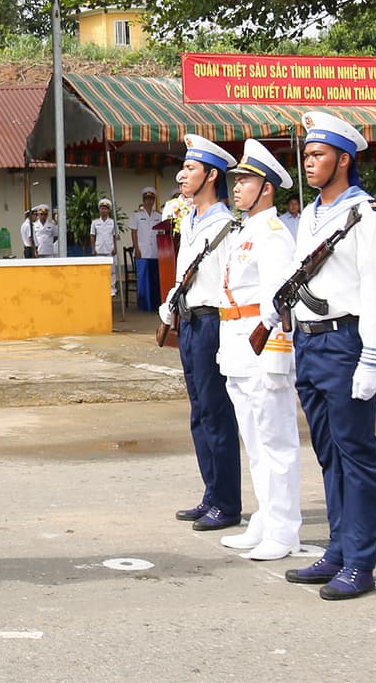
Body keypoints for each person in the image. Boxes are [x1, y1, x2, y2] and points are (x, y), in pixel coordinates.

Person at [270, 110, 376, 601]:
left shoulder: (368, 214)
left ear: (344, 160)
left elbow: (374, 291)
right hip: (310, 339)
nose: (308, 162)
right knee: (329, 454)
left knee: (357, 454)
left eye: (318, 154)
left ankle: (360, 563)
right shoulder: (312, 214)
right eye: (306, 155)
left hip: (346, 342)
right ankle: (339, 550)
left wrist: (373, 358)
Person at [217, 141, 303, 562]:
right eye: (236, 180)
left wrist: (277, 358)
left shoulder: (272, 235)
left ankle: (285, 529)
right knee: (254, 442)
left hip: (263, 349)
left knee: (277, 442)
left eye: (245, 180)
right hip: (237, 345)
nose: (237, 187)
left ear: (266, 188)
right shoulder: (245, 232)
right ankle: (266, 519)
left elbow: (280, 302)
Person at [158, 135, 242, 533]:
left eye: (191, 169)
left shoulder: (225, 223)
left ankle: (227, 501)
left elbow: (230, 282)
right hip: (189, 321)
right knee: (199, 412)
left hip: (212, 323)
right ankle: (211, 493)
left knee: (216, 412)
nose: (182, 174)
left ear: (211, 176)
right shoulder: (189, 218)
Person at [128, 188, 162, 263]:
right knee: (142, 274)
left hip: (155, 251)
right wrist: (136, 249)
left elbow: (160, 233)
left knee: (154, 274)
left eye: (151, 199)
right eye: (147, 199)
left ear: (154, 201)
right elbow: (134, 233)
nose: (149, 201)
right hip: (142, 251)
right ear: (143, 200)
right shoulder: (136, 215)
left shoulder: (159, 216)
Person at [90, 198, 118, 289]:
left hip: (110, 249)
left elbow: (115, 236)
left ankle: (112, 288)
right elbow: (92, 236)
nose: (104, 210)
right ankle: (100, 287)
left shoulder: (113, 222)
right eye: (102, 208)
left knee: (112, 271)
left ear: (108, 210)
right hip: (99, 250)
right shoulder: (95, 222)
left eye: (105, 209)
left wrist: (115, 248)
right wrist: (93, 249)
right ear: (99, 210)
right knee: (99, 270)